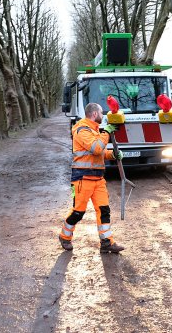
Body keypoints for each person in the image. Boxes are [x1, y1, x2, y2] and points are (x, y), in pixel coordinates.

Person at [58, 102, 126, 253]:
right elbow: (96, 149)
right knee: (78, 212)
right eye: (102, 113)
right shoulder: (82, 130)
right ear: (95, 114)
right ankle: (65, 236)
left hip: (98, 180)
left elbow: (100, 153)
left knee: (104, 210)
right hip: (82, 179)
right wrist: (106, 132)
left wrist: (112, 154)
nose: (103, 116)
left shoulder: (94, 131)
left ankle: (107, 242)